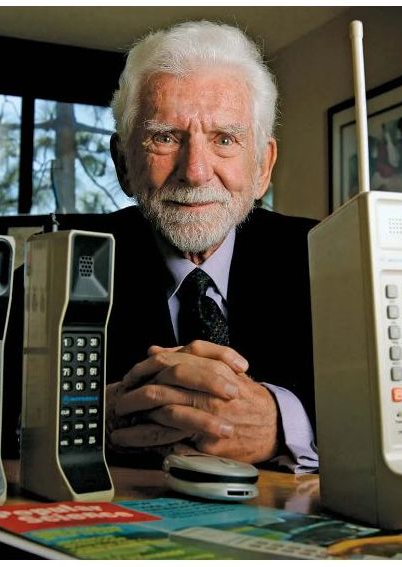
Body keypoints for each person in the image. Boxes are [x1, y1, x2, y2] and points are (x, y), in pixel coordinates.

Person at [97, 21, 318, 472]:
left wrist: (285, 425)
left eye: (224, 139)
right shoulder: (64, 265)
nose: (195, 171)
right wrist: (86, 418)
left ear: (263, 167)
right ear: (123, 162)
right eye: (165, 137)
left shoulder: (330, 259)